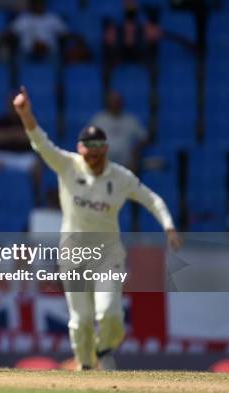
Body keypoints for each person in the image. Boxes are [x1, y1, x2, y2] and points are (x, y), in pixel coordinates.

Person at [12, 86, 181, 370]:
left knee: (110, 315)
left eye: (97, 149)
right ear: (80, 149)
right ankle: (86, 366)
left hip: (107, 254)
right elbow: (40, 142)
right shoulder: (68, 165)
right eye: (87, 149)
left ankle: (104, 350)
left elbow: (151, 199)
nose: (92, 155)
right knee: (80, 320)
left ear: (105, 149)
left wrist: (168, 225)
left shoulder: (120, 176)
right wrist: (25, 113)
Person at [89, 91, 147, 170]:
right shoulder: (99, 120)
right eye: (113, 102)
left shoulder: (131, 120)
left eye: (118, 101)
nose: (115, 104)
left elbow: (144, 137)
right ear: (108, 103)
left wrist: (136, 150)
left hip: (126, 161)